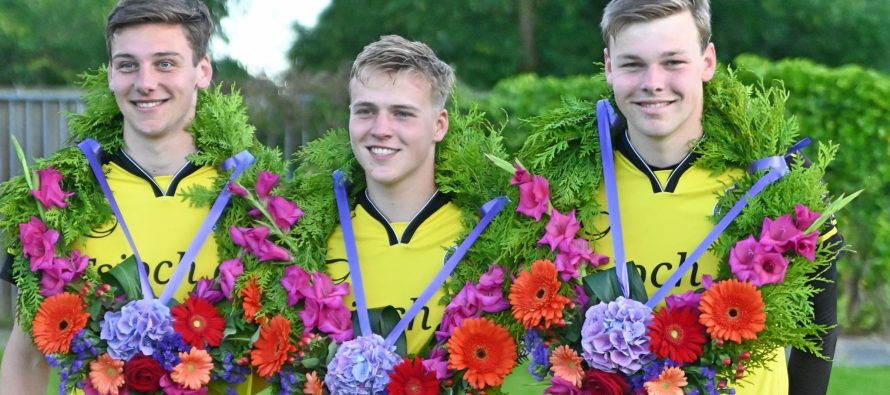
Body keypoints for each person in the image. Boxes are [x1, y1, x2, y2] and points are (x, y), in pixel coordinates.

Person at [0, 0, 275, 393]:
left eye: (165, 63)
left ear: (203, 71)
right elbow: (26, 358)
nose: (145, 82)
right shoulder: (61, 200)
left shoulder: (255, 203)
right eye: (128, 64)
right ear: (111, 74)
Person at [588, 0, 837, 393]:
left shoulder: (774, 172)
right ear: (609, 67)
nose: (653, 82)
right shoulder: (572, 185)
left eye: (673, 62)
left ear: (708, 61)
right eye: (633, 63)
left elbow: (819, 323)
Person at [324, 35, 462, 355]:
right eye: (365, 111)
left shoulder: (485, 235)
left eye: (402, 113)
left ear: (439, 125)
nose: (381, 128)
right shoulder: (313, 236)